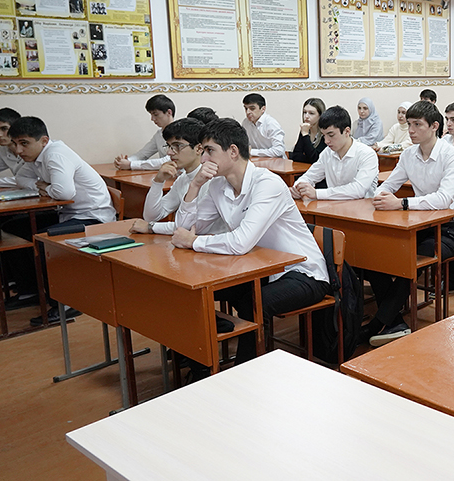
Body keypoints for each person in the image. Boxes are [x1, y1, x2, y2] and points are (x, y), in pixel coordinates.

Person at [172, 119, 331, 379]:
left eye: (209, 151)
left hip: (303, 272)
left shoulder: (267, 184)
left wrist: (193, 241)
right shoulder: (216, 185)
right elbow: (185, 228)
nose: (203, 159)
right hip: (261, 269)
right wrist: (194, 186)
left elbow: (239, 242)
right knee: (193, 291)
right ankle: (202, 364)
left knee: (255, 304)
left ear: (233, 151)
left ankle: (244, 378)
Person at [365, 101, 454, 345]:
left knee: (411, 259)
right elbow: (389, 184)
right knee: (373, 256)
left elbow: (444, 199)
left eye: (417, 125)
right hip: (416, 226)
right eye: (409, 124)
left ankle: (377, 324)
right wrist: (380, 196)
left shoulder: (451, 155)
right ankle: (395, 322)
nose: (410, 130)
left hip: (446, 231)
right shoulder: (409, 154)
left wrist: (401, 204)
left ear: (434, 126)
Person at [7, 116, 116, 324]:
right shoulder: (35, 157)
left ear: (43, 141)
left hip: (93, 218)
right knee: (11, 227)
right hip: (68, 213)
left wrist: (46, 188)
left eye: (24, 143)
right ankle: (29, 290)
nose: (18, 150)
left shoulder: (55, 154)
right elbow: (20, 178)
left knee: (44, 241)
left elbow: (65, 192)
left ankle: (66, 304)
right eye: (15, 143)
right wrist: (42, 186)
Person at [128, 118, 227, 236]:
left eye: (177, 146)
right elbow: (151, 216)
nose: (169, 152)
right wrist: (158, 181)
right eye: (169, 146)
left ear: (198, 149)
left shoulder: (212, 178)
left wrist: (151, 227)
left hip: (215, 241)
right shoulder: (183, 178)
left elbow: (193, 226)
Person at [291, 106, 378, 201]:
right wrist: (298, 188)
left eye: (331, 135)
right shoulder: (327, 153)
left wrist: (317, 193)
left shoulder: (367, 154)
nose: (326, 141)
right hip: (333, 205)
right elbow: (309, 176)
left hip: (362, 207)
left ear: (347, 131)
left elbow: (358, 190)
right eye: (324, 135)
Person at [114, 94, 175, 170]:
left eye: (156, 114)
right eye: (151, 115)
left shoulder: (180, 133)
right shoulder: (159, 134)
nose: (152, 119)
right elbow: (143, 154)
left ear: (169, 112)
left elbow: (168, 160)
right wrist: (125, 161)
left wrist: (131, 164)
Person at [0, 107, 35, 189]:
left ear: (16, 128)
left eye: (4, 129)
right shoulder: (3, 150)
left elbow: (25, 180)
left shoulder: (33, 147)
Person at [241, 93, 285, 158]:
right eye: (246, 108)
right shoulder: (245, 123)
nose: (248, 112)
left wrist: (252, 152)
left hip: (276, 161)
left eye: (252, 109)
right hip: (256, 160)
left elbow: (279, 151)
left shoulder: (271, 124)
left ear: (263, 109)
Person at [290, 98, 327, 164]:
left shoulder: (325, 133)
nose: (306, 116)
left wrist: (305, 135)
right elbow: (295, 156)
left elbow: (316, 159)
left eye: (311, 113)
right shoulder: (305, 129)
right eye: (305, 112)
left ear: (320, 115)